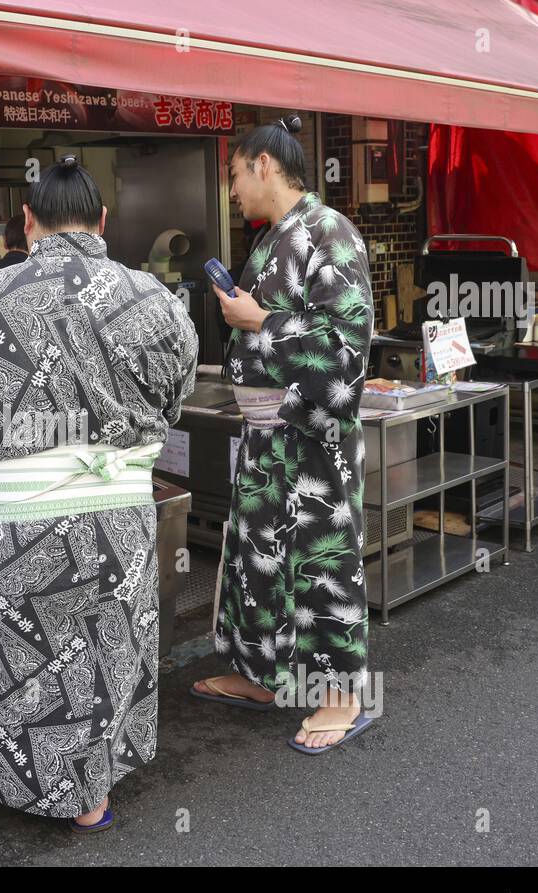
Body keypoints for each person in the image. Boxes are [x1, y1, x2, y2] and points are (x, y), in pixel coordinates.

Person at [0, 155, 198, 841]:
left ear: (27, 223)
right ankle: (86, 794)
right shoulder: (153, 300)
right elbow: (172, 400)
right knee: (99, 646)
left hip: (10, 525)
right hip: (118, 519)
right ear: (100, 220)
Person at [192, 114, 377, 754]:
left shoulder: (332, 234)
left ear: (264, 166)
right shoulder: (274, 239)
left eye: (236, 175)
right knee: (258, 559)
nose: (233, 190)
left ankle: (342, 697)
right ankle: (265, 676)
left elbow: (346, 350)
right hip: (267, 438)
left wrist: (258, 319)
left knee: (322, 564)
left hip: (313, 445)